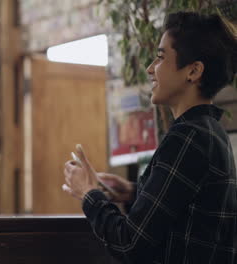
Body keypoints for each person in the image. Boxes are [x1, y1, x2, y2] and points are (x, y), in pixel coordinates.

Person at [63, 11, 237, 264]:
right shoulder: (211, 132)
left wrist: (89, 193)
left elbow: (129, 244)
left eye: (160, 57)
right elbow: (189, 210)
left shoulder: (188, 138)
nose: (150, 69)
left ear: (193, 71)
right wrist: (133, 192)